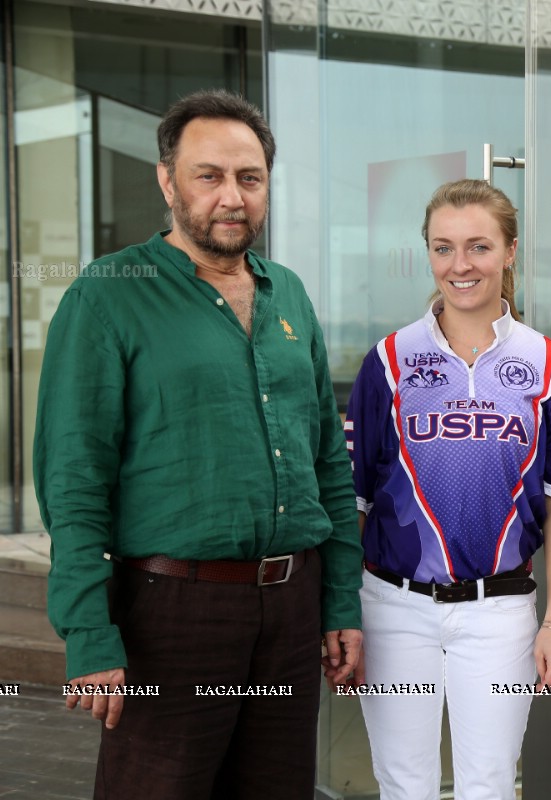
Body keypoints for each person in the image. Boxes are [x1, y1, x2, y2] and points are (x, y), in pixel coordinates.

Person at [32, 89, 363, 799]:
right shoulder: (108, 296)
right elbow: (74, 480)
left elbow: (327, 466)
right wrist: (89, 634)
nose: (231, 197)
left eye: (249, 178)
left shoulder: (291, 296)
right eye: (208, 175)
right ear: (167, 180)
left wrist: (339, 605)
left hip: (291, 606)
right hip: (169, 611)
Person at [345, 179, 551, 800]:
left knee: (490, 785)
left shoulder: (550, 364)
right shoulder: (389, 362)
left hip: (500, 610)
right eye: (443, 248)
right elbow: (356, 501)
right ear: (427, 253)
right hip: (394, 608)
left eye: (478, 247)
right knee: (403, 785)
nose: (461, 265)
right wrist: (341, 615)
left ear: (509, 252)